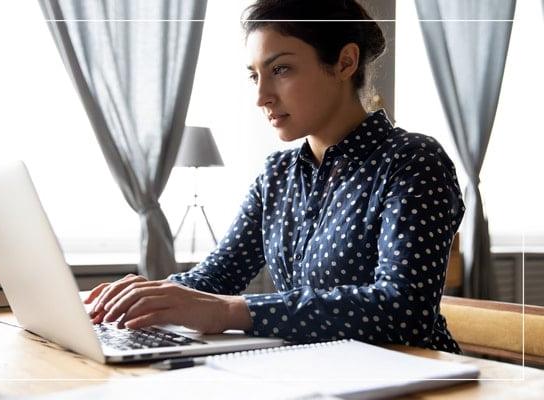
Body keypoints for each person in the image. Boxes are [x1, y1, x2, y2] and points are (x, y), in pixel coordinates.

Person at [86, 0, 465, 353]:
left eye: (280, 69)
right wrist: (138, 297)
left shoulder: (413, 161)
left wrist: (229, 311)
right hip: (316, 373)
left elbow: (404, 311)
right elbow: (217, 276)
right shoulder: (277, 175)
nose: (261, 96)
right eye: (255, 76)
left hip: (418, 377)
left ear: (345, 62)